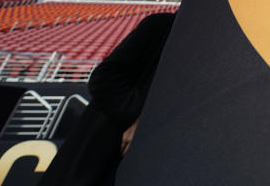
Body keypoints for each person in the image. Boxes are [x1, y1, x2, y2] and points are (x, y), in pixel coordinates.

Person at [38, 11, 176, 186]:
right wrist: (140, 120)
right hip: (103, 156)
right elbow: (104, 77)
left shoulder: (208, 47)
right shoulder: (162, 25)